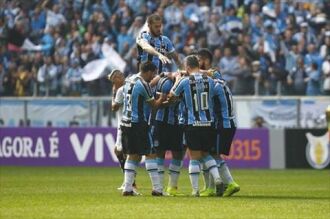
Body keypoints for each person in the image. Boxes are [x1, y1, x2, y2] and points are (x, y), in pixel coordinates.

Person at [168, 55, 223, 197]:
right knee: (206, 154)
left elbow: (171, 96)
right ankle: (217, 178)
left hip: (193, 123)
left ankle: (195, 190)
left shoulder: (185, 81)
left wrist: (177, 80)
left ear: (187, 67)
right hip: (208, 123)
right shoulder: (210, 80)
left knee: (194, 157)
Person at [197, 48, 240, 197]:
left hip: (222, 124)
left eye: (198, 60)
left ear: (205, 60)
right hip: (227, 123)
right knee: (209, 153)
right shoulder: (218, 79)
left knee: (211, 154)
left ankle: (229, 183)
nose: (197, 64)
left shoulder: (212, 78)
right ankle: (213, 187)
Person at [120, 61, 165, 196]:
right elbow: (154, 105)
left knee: (132, 155)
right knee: (150, 153)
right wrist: (162, 97)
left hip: (125, 122)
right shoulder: (143, 84)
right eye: (154, 74)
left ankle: (127, 188)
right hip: (138, 123)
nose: (154, 77)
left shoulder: (129, 79)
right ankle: (157, 189)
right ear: (149, 72)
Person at [108, 69, 139, 195]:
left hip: (126, 124)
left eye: (118, 75)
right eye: (115, 76)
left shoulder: (123, 88)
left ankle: (131, 184)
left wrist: (113, 94)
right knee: (120, 151)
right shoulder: (122, 88)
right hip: (122, 123)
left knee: (123, 152)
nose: (118, 77)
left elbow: (114, 108)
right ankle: (129, 182)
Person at [153, 74, 185, 196]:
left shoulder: (186, 83)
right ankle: (159, 188)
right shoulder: (165, 83)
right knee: (160, 153)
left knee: (178, 154)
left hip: (177, 123)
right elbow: (157, 104)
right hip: (161, 122)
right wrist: (170, 101)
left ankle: (171, 188)